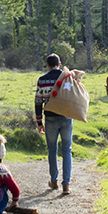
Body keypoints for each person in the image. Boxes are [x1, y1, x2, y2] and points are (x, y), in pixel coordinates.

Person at [35, 53, 73, 196]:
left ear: (47, 65)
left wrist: (39, 122)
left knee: (52, 150)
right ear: (60, 63)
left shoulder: (42, 80)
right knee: (67, 149)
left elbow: (38, 102)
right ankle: (67, 184)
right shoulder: (67, 77)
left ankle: (54, 180)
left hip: (50, 118)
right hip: (66, 117)